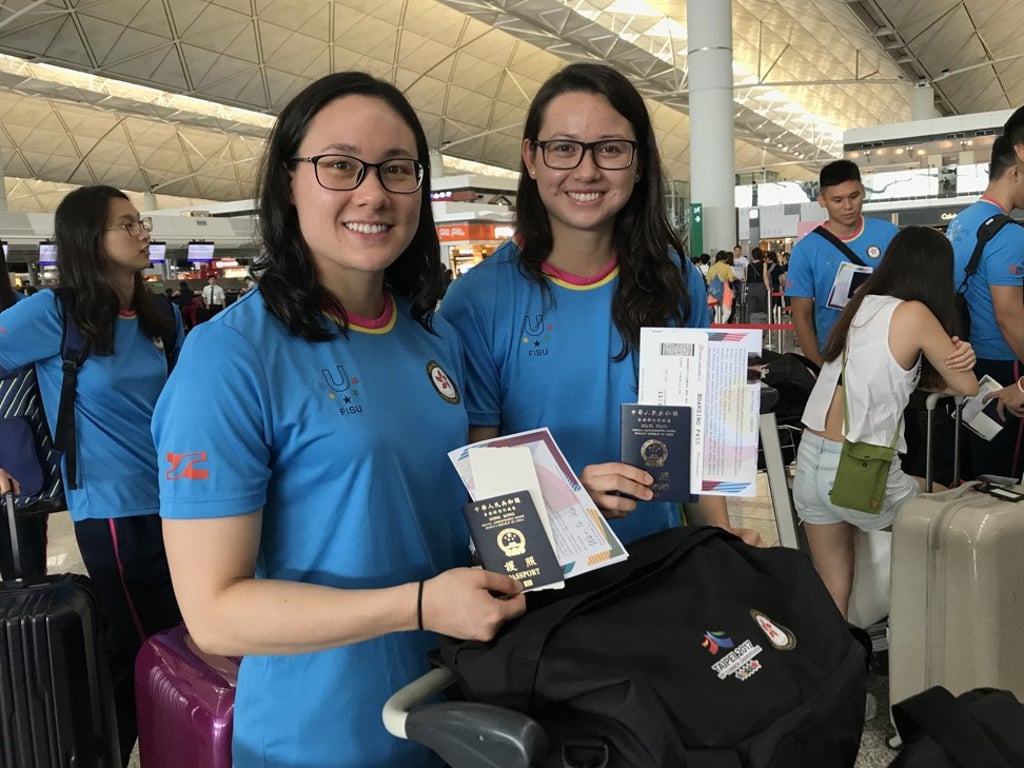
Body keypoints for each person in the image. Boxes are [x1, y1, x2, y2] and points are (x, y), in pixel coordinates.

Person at [151, 72, 525, 768]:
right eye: (341, 165)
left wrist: (572, 506)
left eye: (396, 169)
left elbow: (439, 514)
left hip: (448, 710)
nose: (373, 193)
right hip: (319, 735)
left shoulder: (431, 338)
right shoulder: (230, 359)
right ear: (288, 183)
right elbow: (214, 613)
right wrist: (417, 606)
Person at [440, 62, 759, 548]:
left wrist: (722, 543)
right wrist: (572, 499)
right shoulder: (476, 301)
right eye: (563, 148)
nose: (587, 171)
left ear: (639, 163)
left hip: (662, 561)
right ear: (531, 158)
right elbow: (479, 476)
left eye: (610, 149)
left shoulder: (677, 282)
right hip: (544, 578)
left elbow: (697, 446)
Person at [0, 185, 183, 764]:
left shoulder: (163, 315)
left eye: (140, 222)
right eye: (126, 224)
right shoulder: (52, 313)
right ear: (87, 239)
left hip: (181, 500)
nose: (142, 233)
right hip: (109, 509)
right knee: (138, 645)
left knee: (176, 639)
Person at [793, 226, 978, 619]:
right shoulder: (916, 313)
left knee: (833, 595)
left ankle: (836, 658)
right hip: (860, 470)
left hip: (809, 463)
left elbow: (885, 370)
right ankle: (927, 631)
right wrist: (963, 352)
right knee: (955, 513)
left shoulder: (862, 302)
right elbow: (967, 386)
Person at [946, 136, 1024, 480]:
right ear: (1015, 172)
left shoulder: (960, 223)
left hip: (970, 363)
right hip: (1008, 368)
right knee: (1007, 479)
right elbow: (1009, 315)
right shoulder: (1011, 235)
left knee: (982, 471)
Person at [786, 160, 899, 366]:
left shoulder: (889, 234)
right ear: (822, 200)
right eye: (837, 200)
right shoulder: (805, 250)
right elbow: (801, 317)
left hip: (890, 351)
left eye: (853, 196)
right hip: (836, 356)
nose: (848, 206)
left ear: (863, 191)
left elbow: (911, 288)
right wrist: (818, 368)